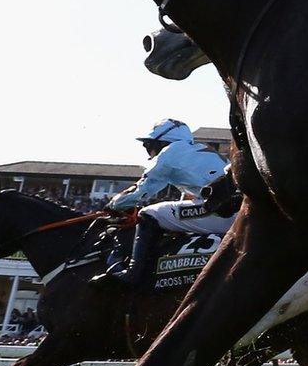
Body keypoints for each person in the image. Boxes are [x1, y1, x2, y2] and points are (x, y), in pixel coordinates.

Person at [90, 119, 231, 290]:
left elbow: (142, 190)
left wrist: (113, 205)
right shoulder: (198, 151)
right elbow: (187, 199)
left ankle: (132, 274)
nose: (148, 150)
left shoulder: (170, 152)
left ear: (163, 141)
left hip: (222, 212)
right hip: (232, 208)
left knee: (147, 213)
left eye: (148, 145)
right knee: (165, 212)